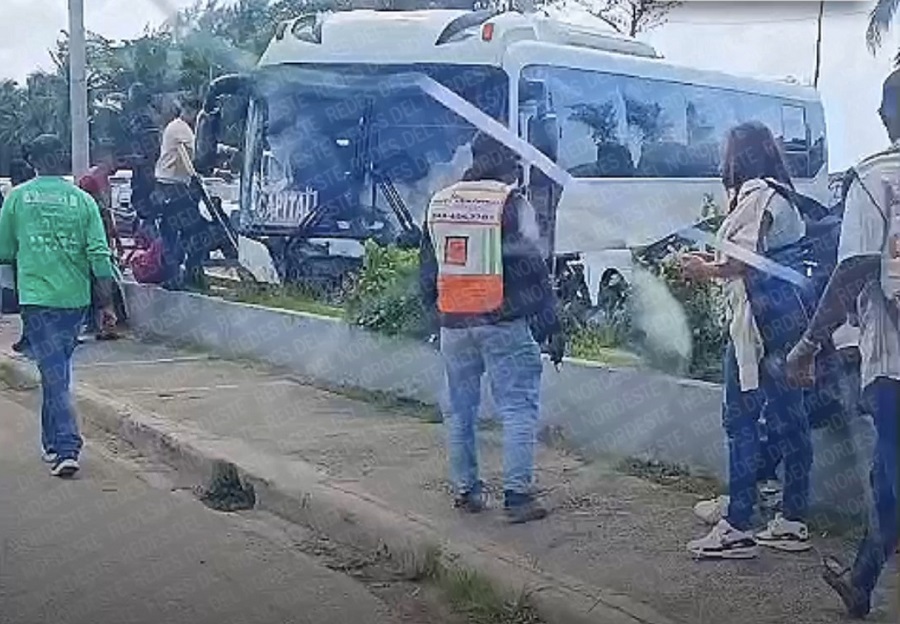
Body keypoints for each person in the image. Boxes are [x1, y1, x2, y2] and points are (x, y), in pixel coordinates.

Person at [787, 69, 900, 619]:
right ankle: (861, 583)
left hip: (895, 364)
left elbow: (854, 267)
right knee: (886, 475)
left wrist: (809, 343)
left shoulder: (875, 179)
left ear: (885, 116)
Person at [681, 121, 813, 558]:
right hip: (786, 316)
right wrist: (714, 262)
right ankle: (790, 516)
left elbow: (744, 261)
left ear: (737, 156)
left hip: (758, 322)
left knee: (739, 418)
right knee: (789, 418)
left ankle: (739, 521)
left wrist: (705, 269)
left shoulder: (758, 195)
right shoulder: (782, 192)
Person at [419, 132, 565, 524]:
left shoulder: (441, 202)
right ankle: (517, 497)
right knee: (518, 407)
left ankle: (467, 491)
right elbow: (531, 268)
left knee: (459, 410)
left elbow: (428, 271)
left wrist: (436, 318)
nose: (518, 171)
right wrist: (550, 325)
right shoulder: (510, 203)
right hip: (502, 320)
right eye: (515, 163)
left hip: (454, 323)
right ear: (505, 162)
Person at [0, 134, 116, 478]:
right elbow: (99, 254)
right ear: (61, 158)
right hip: (74, 301)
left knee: (54, 374)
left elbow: (4, 250)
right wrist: (105, 303)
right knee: (56, 371)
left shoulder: (17, 198)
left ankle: (66, 446)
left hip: (37, 299)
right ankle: (52, 443)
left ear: (33, 160)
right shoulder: (83, 201)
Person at [153, 95, 207, 291]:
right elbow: (196, 153)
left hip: (169, 186)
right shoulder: (181, 128)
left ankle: (174, 277)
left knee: (171, 233)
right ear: (193, 112)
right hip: (173, 187)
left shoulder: (177, 127)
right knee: (194, 232)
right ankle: (185, 277)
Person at [78, 143, 124, 341]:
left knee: (98, 288)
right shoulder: (95, 181)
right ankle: (105, 324)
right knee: (102, 289)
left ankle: (99, 324)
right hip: (98, 251)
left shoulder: (99, 179)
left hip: (96, 251)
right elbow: (106, 216)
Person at [3, 159, 37, 352]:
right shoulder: (26, 196)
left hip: (21, 254)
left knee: (25, 297)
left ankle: (29, 336)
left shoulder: (16, 197)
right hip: (35, 252)